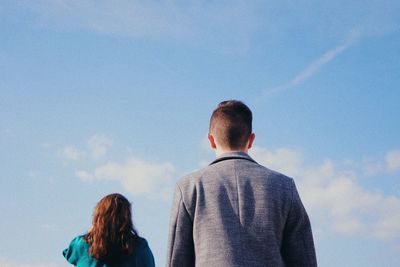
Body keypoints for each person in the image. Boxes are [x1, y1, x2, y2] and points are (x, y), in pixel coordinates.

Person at [166, 100, 317, 267]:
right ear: (251, 140)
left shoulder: (189, 187)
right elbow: (305, 260)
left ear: (211, 140)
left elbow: (176, 260)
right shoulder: (284, 187)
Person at [63, 193, 155, 267]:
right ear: (127, 219)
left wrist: (92, 231)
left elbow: (68, 254)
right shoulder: (139, 247)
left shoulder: (81, 244)